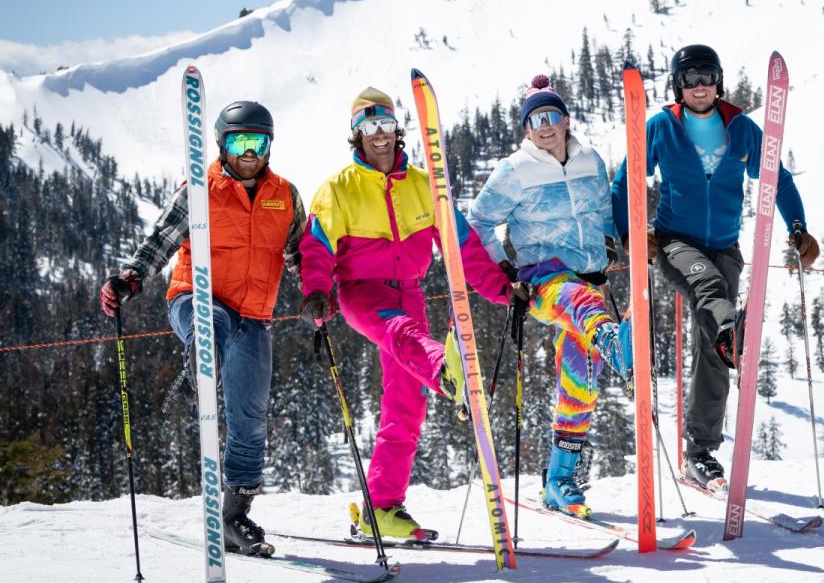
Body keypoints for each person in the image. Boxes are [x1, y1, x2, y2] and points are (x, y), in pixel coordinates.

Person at [300, 87, 517, 539]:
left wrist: (502, 289)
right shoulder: (339, 189)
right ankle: (447, 373)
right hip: (361, 293)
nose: (378, 135)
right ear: (356, 134)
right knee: (401, 334)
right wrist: (316, 291)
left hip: (411, 291)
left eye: (384, 124)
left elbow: (463, 247)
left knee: (406, 404)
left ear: (396, 129)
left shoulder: (425, 185)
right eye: (367, 126)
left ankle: (381, 507)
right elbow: (317, 246)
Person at [611, 44, 820, 492]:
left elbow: (775, 179)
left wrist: (798, 226)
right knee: (710, 293)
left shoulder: (741, 129)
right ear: (678, 86)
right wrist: (626, 233)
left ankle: (700, 454)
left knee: (713, 349)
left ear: (718, 81)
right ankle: (732, 325)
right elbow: (625, 179)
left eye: (706, 76)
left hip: (725, 247)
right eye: (689, 79)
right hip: (676, 244)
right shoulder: (662, 127)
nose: (699, 86)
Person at [99, 101, 303, 556]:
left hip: (254, 316)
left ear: (270, 146)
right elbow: (160, 241)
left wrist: (316, 289)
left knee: (250, 423)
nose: (249, 152)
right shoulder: (198, 188)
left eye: (258, 142)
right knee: (213, 324)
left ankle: (234, 517)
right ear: (221, 144)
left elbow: (298, 254)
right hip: (196, 299)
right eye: (239, 142)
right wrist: (130, 279)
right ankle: (203, 372)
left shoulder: (285, 195)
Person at [467, 75, 633, 518]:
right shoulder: (514, 170)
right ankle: (617, 346)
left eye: (551, 116)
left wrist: (614, 238)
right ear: (526, 128)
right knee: (582, 304)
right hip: (544, 280)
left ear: (565, 121)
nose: (545, 125)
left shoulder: (590, 160)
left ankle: (560, 482)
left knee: (580, 384)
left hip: (591, 276)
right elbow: (479, 221)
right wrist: (502, 267)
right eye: (535, 119)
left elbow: (600, 211)